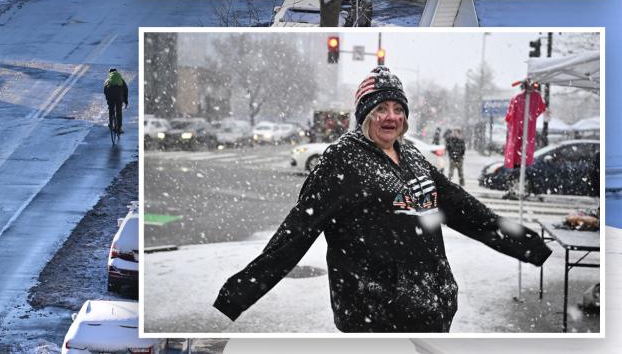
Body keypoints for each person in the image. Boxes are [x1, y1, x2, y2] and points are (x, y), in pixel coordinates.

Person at [213, 66, 551, 333]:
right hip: (374, 316)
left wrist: (526, 244)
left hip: (433, 307)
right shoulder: (341, 161)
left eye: (397, 108)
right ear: (364, 115)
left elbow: (465, 210)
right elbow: (296, 233)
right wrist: (238, 293)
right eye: (380, 108)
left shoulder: (412, 156)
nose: (390, 116)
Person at [103, 68, 128, 134]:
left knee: (111, 109)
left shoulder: (107, 81)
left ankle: (111, 124)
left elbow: (105, 91)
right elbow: (126, 90)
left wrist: (108, 100)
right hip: (119, 97)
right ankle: (119, 128)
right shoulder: (121, 80)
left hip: (110, 96)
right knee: (118, 111)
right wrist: (125, 101)